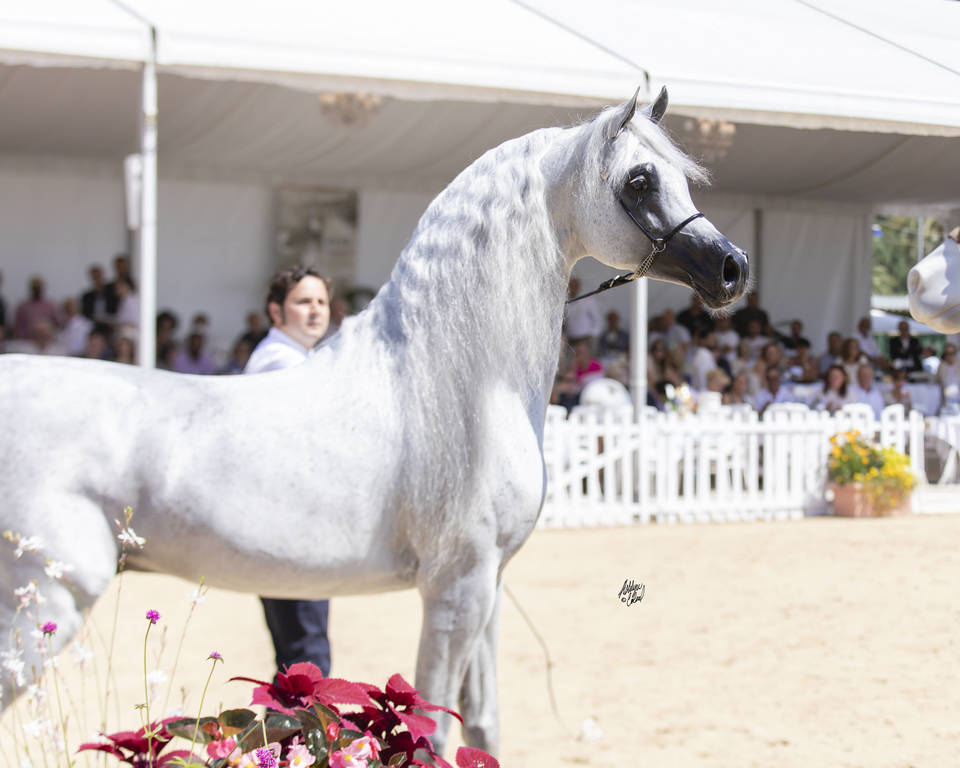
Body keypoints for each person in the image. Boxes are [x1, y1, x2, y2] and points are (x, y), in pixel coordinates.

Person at [244, 264, 333, 678]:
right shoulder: (281, 362)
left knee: (299, 656)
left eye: (321, 302)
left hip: (293, 524)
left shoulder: (297, 358)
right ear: (276, 312)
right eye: (303, 302)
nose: (315, 311)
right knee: (306, 657)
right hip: (288, 526)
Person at [563, 278, 602, 349]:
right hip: (570, 340)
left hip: (585, 340)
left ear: (579, 286)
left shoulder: (587, 300)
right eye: (571, 286)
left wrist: (591, 336)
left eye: (575, 286)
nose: (573, 288)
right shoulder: (565, 300)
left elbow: (597, 319)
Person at [81, 264, 111, 331]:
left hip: (110, 325)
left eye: (98, 277)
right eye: (94, 277)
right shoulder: (87, 297)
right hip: (93, 325)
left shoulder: (112, 294)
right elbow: (85, 315)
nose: (97, 280)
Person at [934, 342, 960, 407]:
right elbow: (936, 380)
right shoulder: (941, 366)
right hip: (944, 398)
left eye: (952, 353)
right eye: (947, 353)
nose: (949, 356)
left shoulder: (958, 365)